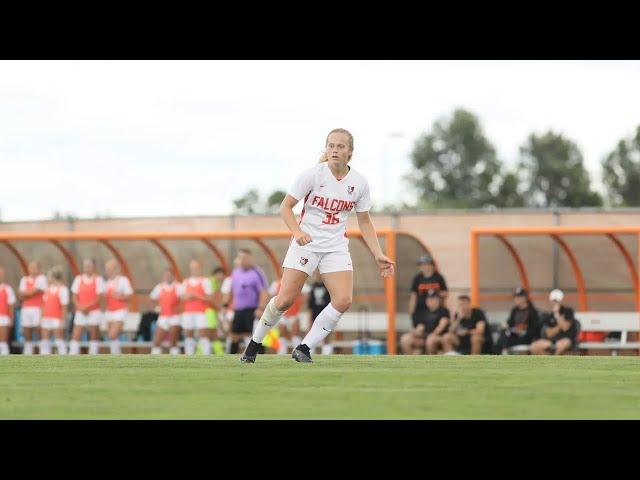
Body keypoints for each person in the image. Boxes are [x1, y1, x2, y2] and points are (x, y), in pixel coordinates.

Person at [241, 128, 395, 363]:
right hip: (307, 244)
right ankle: (254, 344)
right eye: (331, 145)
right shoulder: (312, 175)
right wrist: (297, 232)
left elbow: (364, 221)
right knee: (284, 300)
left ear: (350, 152)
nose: (334, 150)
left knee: (343, 300)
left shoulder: (359, 183)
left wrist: (378, 254)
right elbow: (285, 207)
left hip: (335, 246)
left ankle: (304, 348)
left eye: (340, 146)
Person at [228, 249, 269, 354]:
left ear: (250, 259)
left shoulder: (256, 273)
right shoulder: (235, 272)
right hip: (238, 309)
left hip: (252, 310)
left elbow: (263, 292)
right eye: (240, 257)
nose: (241, 260)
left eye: (244, 258)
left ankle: (260, 356)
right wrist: (226, 305)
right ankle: (230, 358)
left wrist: (260, 308)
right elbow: (232, 290)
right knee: (235, 336)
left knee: (255, 335)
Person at [70, 259, 105, 355]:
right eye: (86, 266)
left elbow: (99, 297)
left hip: (93, 311)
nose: (87, 268)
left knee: (93, 333)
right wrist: (80, 307)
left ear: (94, 267)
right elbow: (74, 296)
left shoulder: (98, 279)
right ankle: (72, 354)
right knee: (76, 333)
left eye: (89, 266)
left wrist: (87, 307)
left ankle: (93, 354)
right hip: (80, 311)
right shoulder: (78, 279)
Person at [180, 260, 215, 355]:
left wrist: (196, 296)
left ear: (200, 268)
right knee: (188, 334)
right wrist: (188, 296)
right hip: (188, 312)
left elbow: (210, 298)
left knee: (203, 334)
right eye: (192, 268)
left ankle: (206, 355)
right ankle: (189, 355)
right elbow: (182, 297)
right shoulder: (185, 282)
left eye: (196, 268)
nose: (194, 270)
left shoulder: (205, 281)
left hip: (201, 312)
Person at [529, 290, 579, 355]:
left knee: (561, 345)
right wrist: (559, 325)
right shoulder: (549, 315)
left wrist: (557, 314)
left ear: (562, 300)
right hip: (552, 340)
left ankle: (554, 361)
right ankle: (549, 362)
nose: (555, 303)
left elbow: (565, 328)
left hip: (566, 339)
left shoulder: (568, 312)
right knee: (533, 347)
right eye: (554, 301)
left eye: (557, 301)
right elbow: (549, 333)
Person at [268, 276, 310, 354]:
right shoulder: (277, 283)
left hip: (295, 313)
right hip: (282, 314)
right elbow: (271, 296)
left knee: (295, 332)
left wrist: (300, 306)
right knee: (281, 332)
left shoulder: (299, 282)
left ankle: (298, 352)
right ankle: (281, 353)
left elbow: (306, 294)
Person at [400, 289, 449, 354]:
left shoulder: (444, 311)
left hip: (439, 337)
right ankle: (411, 362)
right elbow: (421, 327)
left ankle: (431, 363)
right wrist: (415, 332)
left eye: (432, 298)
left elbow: (441, 327)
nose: (429, 301)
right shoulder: (424, 312)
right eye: (428, 299)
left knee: (430, 340)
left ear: (437, 300)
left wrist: (431, 335)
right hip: (424, 337)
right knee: (405, 338)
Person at [494, 287, 540, 354]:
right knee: (504, 333)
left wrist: (522, 332)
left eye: (519, 297)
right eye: (515, 297)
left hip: (526, 338)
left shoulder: (532, 311)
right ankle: (499, 353)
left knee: (506, 338)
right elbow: (510, 323)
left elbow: (535, 330)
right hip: (514, 336)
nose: (516, 299)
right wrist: (506, 325)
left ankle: (503, 353)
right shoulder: (515, 310)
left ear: (524, 298)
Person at [408, 255, 448, 328]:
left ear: (431, 265)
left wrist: (436, 295)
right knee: (419, 329)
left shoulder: (438, 277)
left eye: (425, 264)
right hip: (421, 308)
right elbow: (413, 295)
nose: (423, 267)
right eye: (421, 265)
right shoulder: (417, 278)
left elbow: (445, 293)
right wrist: (411, 310)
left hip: (435, 310)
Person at [150, 267, 182, 355]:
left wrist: (179, 309)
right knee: (157, 341)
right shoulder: (160, 287)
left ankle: (174, 362)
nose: (168, 277)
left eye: (169, 275)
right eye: (166, 275)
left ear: (173, 276)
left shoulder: (178, 286)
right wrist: (156, 307)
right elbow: (152, 298)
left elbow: (184, 300)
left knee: (173, 341)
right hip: (163, 317)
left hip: (174, 317)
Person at [18, 261, 48, 355]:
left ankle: (42, 351)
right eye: (31, 267)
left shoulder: (42, 278)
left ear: (38, 269)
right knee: (27, 330)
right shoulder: (24, 279)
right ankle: (28, 351)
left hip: (38, 308)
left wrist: (26, 293)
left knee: (38, 329)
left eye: (35, 268)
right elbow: (20, 295)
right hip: (26, 308)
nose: (32, 270)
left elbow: (32, 292)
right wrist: (28, 293)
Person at [104, 259, 133, 354]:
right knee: (111, 336)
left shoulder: (123, 280)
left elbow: (129, 295)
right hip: (110, 311)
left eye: (109, 269)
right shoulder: (107, 282)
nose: (107, 271)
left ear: (115, 269)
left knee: (113, 334)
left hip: (120, 311)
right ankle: (115, 356)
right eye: (106, 269)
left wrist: (119, 296)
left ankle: (116, 355)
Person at [40, 266, 70, 355]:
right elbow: (44, 305)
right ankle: (45, 357)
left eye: (49, 277)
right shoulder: (48, 289)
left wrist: (62, 320)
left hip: (57, 318)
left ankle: (63, 356)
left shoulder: (63, 289)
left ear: (54, 277)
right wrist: (41, 318)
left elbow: (64, 306)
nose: (47, 279)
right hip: (46, 318)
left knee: (59, 339)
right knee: (45, 339)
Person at [307, 270, 333, 354]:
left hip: (325, 313)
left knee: (325, 334)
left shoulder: (328, 286)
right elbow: (310, 305)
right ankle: (309, 351)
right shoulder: (313, 287)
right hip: (315, 313)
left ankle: (327, 352)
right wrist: (309, 319)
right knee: (312, 333)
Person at [203, 267, 225, 355]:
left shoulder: (216, 283)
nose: (222, 277)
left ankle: (219, 352)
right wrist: (219, 307)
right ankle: (204, 353)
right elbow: (210, 298)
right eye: (221, 275)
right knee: (210, 333)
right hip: (209, 311)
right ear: (216, 274)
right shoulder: (211, 282)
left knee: (213, 333)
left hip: (212, 311)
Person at [0, 265, 16, 355]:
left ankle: (5, 356)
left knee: (3, 339)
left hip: (4, 317)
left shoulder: (7, 288)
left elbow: (11, 305)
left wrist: (11, 318)